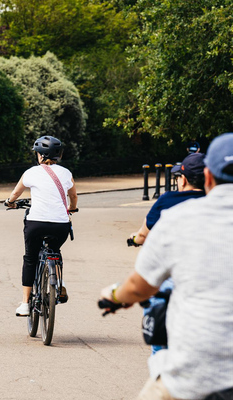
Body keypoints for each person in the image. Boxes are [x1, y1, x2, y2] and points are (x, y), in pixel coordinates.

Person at [99, 133, 233, 400]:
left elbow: (138, 287)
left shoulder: (177, 217)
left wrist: (114, 295)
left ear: (208, 178)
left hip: (194, 379)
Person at [128, 152, 206, 355]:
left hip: (173, 277)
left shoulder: (168, 200)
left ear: (183, 180)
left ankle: (160, 357)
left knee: (158, 326)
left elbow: (143, 235)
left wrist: (134, 239)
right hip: (206, 280)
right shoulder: (215, 202)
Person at [4, 135, 77, 317]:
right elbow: (73, 197)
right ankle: (59, 282)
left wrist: (10, 202)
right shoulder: (66, 173)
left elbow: (15, 193)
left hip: (36, 223)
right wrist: (72, 208)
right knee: (55, 250)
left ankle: (25, 304)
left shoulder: (31, 173)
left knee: (30, 258)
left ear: (40, 155)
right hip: (60, 225)